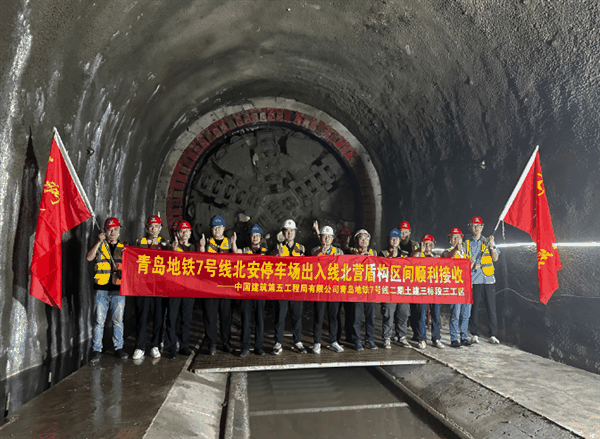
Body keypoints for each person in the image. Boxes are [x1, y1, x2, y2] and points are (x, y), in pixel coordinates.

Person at [85, 217, 128, 363]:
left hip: (118, 290)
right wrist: (98, 242)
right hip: (101, 289)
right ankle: (97, 349)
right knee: (99, 321)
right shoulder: (100, 246)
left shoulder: (125, 248)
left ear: (119, 230)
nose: (113, 232)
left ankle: (118, 348)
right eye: (110, 229)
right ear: (105, 231)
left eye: (116, 229)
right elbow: (89, 258)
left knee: (118, 321)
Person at [199, 214, 238, 355]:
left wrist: (234, 246)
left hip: (226, 287)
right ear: (211, 229)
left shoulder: (229, 242)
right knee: (210, 316)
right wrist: (202, 248)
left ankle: (226, 342)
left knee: (226, 316)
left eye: (219, 227)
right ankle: (211, 344)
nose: (217, 230)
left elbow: (238, 262)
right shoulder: (207, 242)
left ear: (224, 228)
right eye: (214, 228)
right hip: (209, 286)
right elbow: (199, 261)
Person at [133, 215, 170, 360]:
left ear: (161, 228)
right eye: (151, 226)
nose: (154, 229)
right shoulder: (139, 242)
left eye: (156, 227)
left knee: (159, 316)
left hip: (159, 286)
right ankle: (140, 346)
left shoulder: (165, 244)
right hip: (143, 286)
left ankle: (155, 344)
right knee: (142, 316)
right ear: (147, 227)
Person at [272, 219, 307, 355]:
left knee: (297, 316)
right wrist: (277, 255)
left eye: (292, 230)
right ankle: (278, 342)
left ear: (295, 232)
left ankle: (297, 340)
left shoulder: (301, 248)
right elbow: (270, 264)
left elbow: (307, 267)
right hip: (282, 288)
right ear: (283, 232)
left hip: (296, 288)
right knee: (280, 315)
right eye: (286, 231)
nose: (289, 233)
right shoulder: (277, 247)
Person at [465, 216, 501, 344]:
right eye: (473, 226)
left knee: (491, 307)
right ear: (470, 227)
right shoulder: (467, 243)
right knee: (474, 308)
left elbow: (495, 258)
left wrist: (491, 246)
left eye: (478, 226)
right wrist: (470, 263)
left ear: (482, 227)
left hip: (489, 279)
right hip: (475, 279)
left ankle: (492, 334)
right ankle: (474, 333)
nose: (475, 229)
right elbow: (462, 260)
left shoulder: (488, 241)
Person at [164, 220, 196, 359]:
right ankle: (171, 347)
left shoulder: (194, 248)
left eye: (186, 231)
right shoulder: (172, 247)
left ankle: (184, 346)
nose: (184, 234)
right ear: (178, 233)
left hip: (188, 289)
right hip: (174, 288)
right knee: (172, 317)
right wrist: (173, 250)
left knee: (186, 319)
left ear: (190, 233)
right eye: (181, 231)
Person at [311, 223, 344, 354]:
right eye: (324, 237)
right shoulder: (315, 250)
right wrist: (321, 253)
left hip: (334, 289)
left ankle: (333, 341)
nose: (326, 240)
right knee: (319, 316)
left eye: (329, 237)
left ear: (332, 239)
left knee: (333, 316)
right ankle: (317, 342)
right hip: (320, 289)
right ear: (321, 238)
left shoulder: (339, 252)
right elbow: (310, 264)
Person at [236, 224, 268, 357]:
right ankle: (245, 346)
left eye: (257, 236)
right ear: (250, 237)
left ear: (260, 237)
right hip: (246, 290)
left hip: (260, 290)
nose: (255, 238)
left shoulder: (266, 252)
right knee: (246, 318)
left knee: (260, 319)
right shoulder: (244, 250)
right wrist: (233, 244)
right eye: (253, 235)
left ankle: (258, 346)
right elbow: (235, 254)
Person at [411, 234, 445, 350]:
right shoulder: (417, 256)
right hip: (422, 291)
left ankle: (436, 338)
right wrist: (419, 250)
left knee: (436, 315)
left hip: (434, 290)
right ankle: (421, 339)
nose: (427, 246)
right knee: (421, 315)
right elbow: (411, 258)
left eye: (430, 244)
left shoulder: (436, 257)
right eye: (425, 244)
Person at [380, 228, 411, 349]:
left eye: (397, 239)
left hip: (402, 290)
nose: (394, 241)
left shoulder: (404, 254)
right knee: (388, 314)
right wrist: (390, 259)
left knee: (403, 314)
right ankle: (386, 337)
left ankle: (401, 336)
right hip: (388, 290)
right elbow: (379, 270)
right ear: (388, 240)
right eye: (392, 239)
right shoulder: (382, 254)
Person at [443, 227, 473, 348]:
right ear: (450, 239)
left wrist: (471, 264)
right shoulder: (447, 251)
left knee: (466, 314)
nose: (455, 240)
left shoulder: (465, 253)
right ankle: (454, 338)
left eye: (458, 238)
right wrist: (455, 249)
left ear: (462, 239)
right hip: (455, 288)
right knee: (455, 313)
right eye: (453, 238)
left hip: (466, 287)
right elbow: (447, 259)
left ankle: (464, 337)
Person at [350, 229, 378, 351]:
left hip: (370, 289)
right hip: (357, 290)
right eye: (361, 238)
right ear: (357, 240)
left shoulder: (374, 253)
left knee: (370, 316)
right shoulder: (352, 252)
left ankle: (369, 339)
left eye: (366, 238)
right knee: (356, 316)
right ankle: (357, 340)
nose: (364, 241)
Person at [398, 221, 421, 342]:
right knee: (400, 310)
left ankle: (416, 334)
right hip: (398, 281)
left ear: (409, 232)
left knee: (414, 309)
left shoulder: (414, 246)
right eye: (401, 231)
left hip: (412, 281)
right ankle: (399, 334)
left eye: (405, 231)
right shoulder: (393, 243)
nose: (403, 233)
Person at [336, 227, 353, 343]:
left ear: (349, 238)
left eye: (345, 237)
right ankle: (336, 337)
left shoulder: (353, 252)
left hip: (349, 287)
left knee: (350, 312)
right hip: (337, 287)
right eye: (341, 237)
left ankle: (349, 335)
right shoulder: (335, 252)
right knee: (336, 313)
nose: (343, 240)